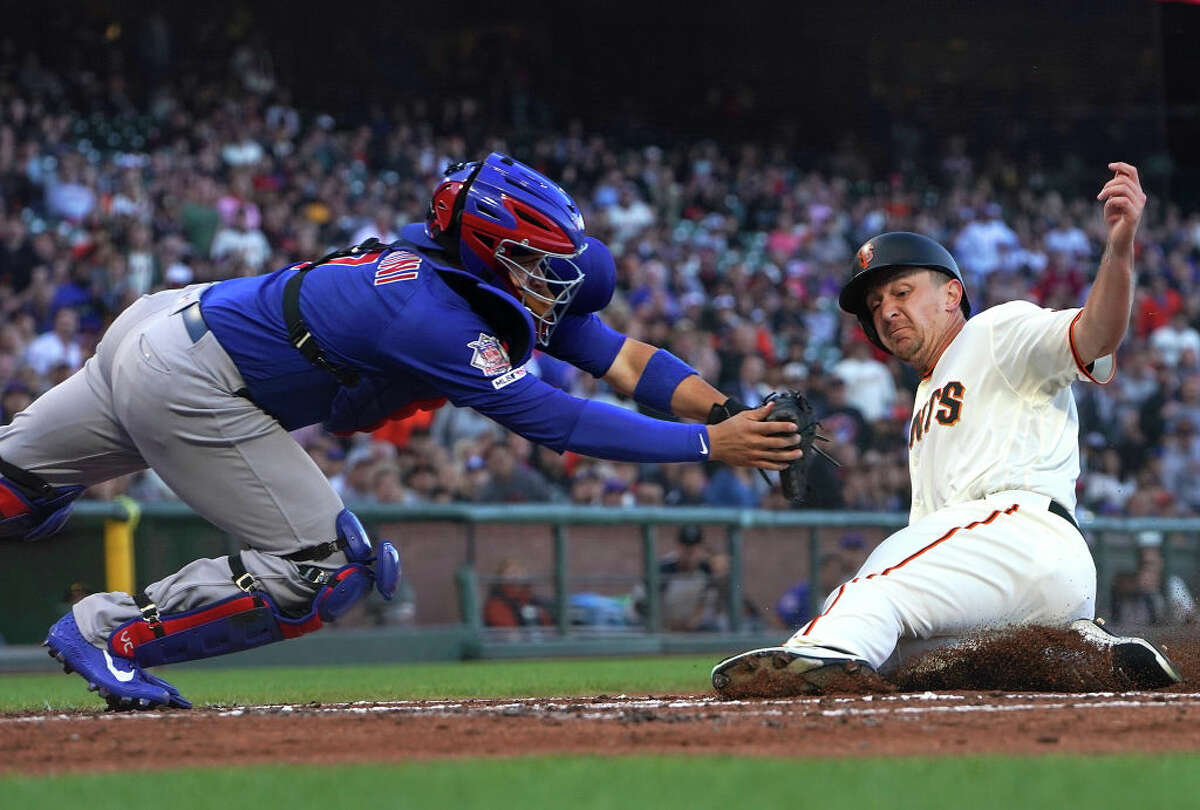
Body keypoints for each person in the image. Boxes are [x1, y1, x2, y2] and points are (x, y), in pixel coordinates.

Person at [1, 153, 800, 709]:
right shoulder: (433, 312)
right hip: (192, 379)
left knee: (12, 482)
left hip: (167, 329)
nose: (554, 279)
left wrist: (722, 410)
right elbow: (552, 418)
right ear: (493, 246)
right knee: (330, 567)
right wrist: (706, 447)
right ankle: (112, 634)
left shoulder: (457, 271)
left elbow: (620, 357)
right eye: (537, 260)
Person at [713, 163, 1183, 697]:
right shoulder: (923, 398)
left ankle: (811, 655)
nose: (887, 311)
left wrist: (1117, 253)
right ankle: (1084, 652)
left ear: (952, 295)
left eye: (902, 291)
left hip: (1018, 534)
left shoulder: (993, 331)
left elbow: (1096, 334)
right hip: (1029, 587)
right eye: (876, 305)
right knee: (899, 661)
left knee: (865, 597)